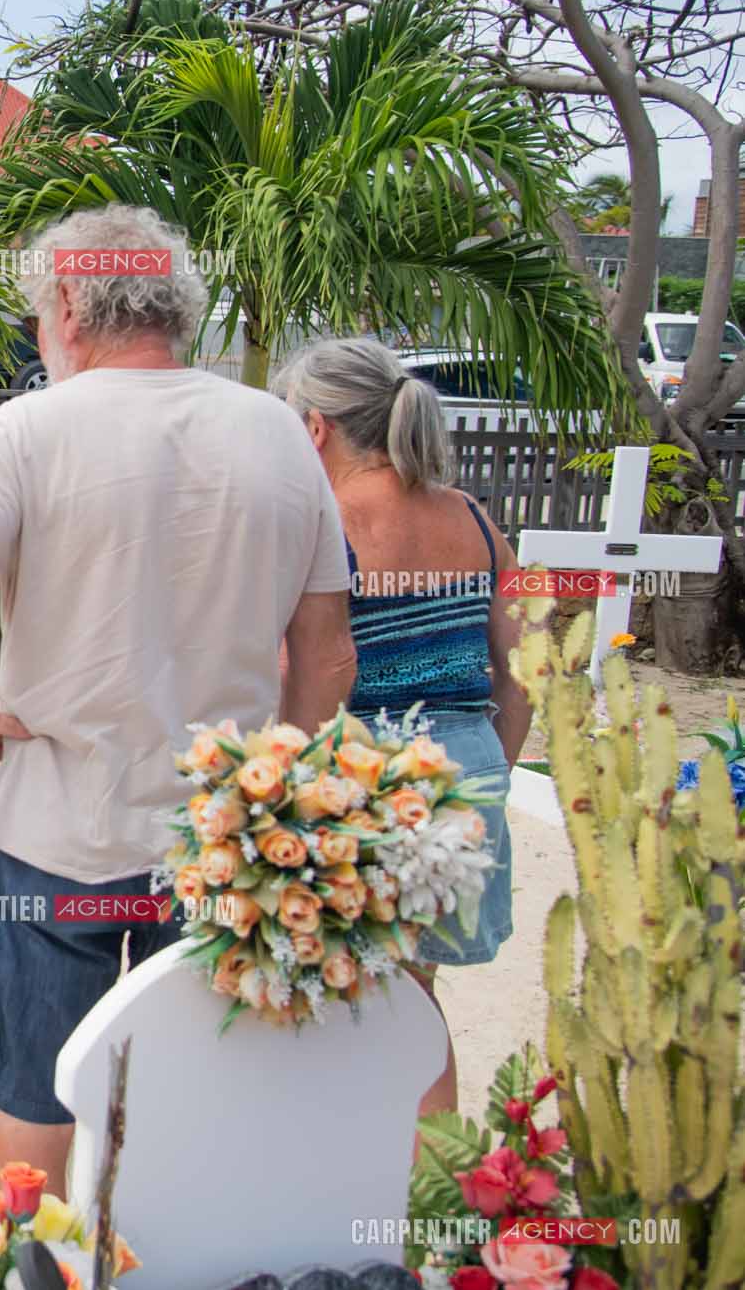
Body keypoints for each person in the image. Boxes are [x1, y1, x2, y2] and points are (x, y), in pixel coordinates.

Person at [0, 204, 357, 1190]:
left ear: (73, 307)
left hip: (59, 837)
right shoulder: (279, 434)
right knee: (205, 1089)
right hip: (221, 843)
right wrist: (266, 780)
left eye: (42, 310)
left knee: (35, 1091)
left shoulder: (27, 432)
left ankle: (24, 1260)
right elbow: (328, 657)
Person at [275, 336, 527, 1119]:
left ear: (315, 429)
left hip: (363, 781)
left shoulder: (318, 525)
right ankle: (437, 1190)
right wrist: (488, 771)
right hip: (465, 774)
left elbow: (309, 671)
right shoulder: (477, 522)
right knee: (413, 1002)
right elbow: (524, 675)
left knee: (338, 1002)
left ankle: (351, 1193)